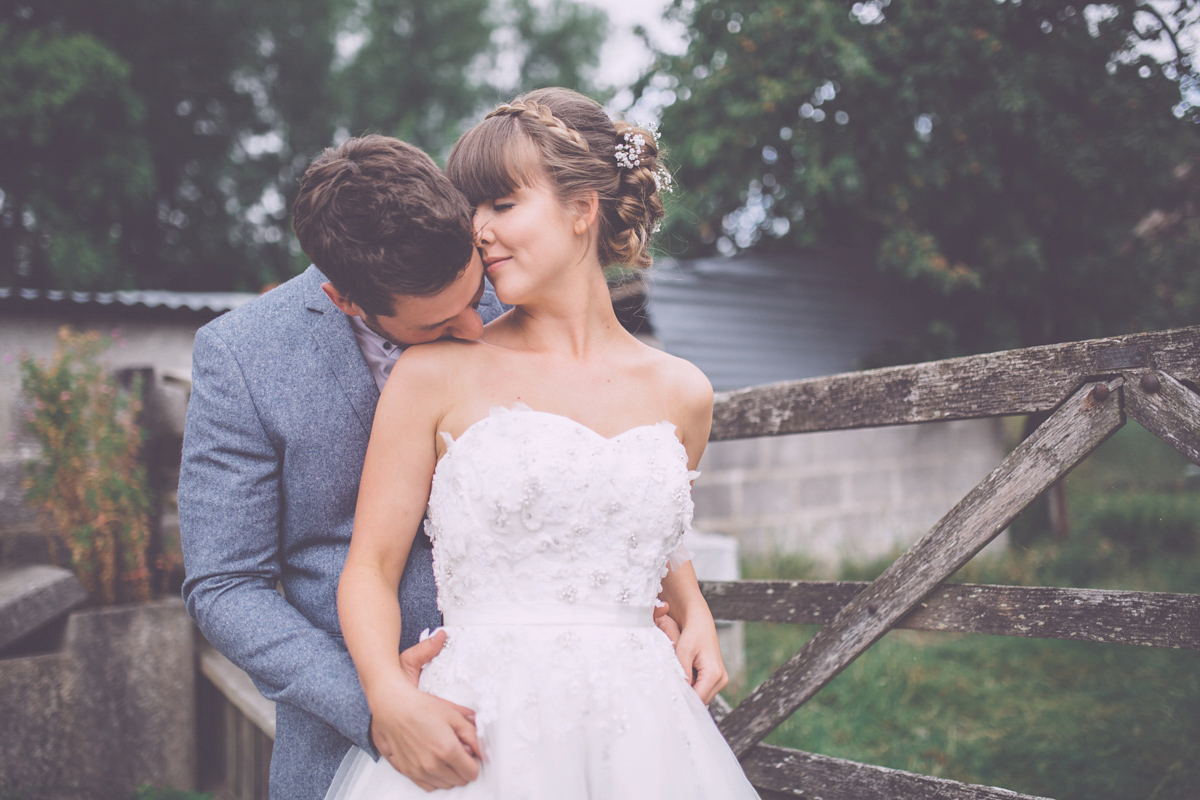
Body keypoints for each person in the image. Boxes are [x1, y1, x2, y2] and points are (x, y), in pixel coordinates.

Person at [327, 88, 760, 798]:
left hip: (644, 734)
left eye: (501, 204)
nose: (479, 230)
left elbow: (638, 524)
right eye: (472, 209)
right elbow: (369, 567)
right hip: (488, 730)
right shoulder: (435, 372)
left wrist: (695, 606)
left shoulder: (684, 392)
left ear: (583, 209)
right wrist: (387, 696)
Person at [178, 135, 509, 800]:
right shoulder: (240, 356)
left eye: (476, 297)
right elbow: (226, 584)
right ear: (346, 301)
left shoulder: (516, 284)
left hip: (529, 699)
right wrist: (375, 707)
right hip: (346, 737)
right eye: (439, 326)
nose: (476, 329)